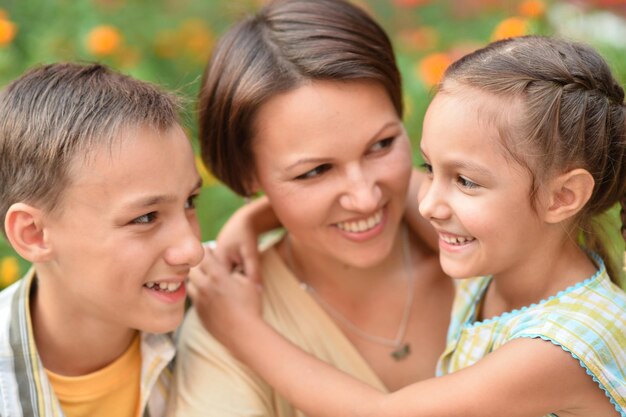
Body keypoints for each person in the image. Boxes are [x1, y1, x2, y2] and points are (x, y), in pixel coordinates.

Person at [191, 35, 626, 416]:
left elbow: (381, 413)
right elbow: (385, 199)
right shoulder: (510, 256)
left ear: (563, 197)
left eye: (464, 180)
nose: (429, 202)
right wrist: (253, 218)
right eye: (428, 167)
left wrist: (240, 328)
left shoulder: (559, 348)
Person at [168, 0, 453, 415]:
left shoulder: (480, 248)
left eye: (381, 145)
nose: (365, 197)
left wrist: (259, 213)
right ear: (249, 176)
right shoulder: (227, 316)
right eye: (316, 171)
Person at [0, 62, 205, 417]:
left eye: (190, 203)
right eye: (145, 217)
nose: (193, 250)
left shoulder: (219, 307)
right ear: (34, 234)